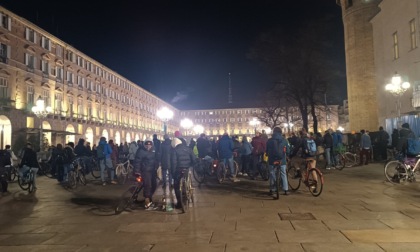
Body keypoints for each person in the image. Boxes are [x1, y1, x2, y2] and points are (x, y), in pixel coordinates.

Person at [171, 137, 196, 209]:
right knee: (187, 179)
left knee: (177, 185)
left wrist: (173, 173)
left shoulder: (175, 150)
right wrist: (191, 165)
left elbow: (174, 162)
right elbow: (193, 159)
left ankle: (179, 203)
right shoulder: (188, 149)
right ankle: (188, 191)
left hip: (179, 169)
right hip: (187, 168)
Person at [135, 140, 159, 209]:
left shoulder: (154, 150)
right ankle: (147, 199)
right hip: (145, 171)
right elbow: (137, 162)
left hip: (153, 171)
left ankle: (150, 196)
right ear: (144, 145)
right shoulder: (141, 151)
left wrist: (157, 166)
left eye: (150, 145)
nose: (148, 146)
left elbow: (156, 159)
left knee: (154, 185)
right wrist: (137, 171)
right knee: (147, 185)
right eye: (146, 145)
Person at [266, 127, 289, 195]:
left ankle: (273, 189)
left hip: (272, 160)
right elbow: (288, 150)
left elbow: (267, 150)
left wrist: (267, 154)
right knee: (283, 173)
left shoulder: (270, 140)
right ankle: (285, 189)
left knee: (272, 173)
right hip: (282, 160)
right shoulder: (284, 140)